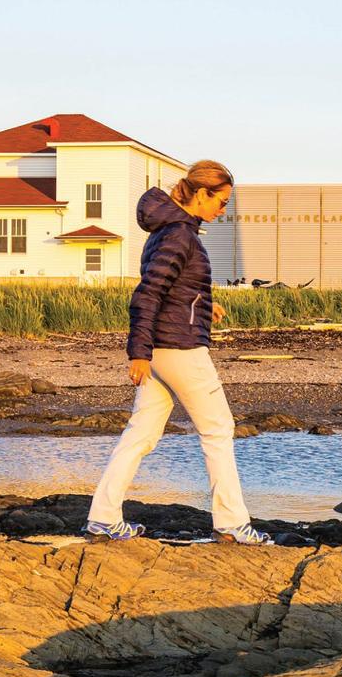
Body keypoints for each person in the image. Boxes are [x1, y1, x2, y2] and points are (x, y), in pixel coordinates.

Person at [85, 160, 272, 545]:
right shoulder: (180, 235)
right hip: (179, 348)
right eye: (221, 201)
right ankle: (232, 524)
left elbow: (175, 288)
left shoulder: (168, 231)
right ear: (201, 194)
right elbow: (148, 294)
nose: (223, 210)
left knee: (141, 434)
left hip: (162, 347)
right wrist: (137, 353)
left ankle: (103, 519)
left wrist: (205, 304)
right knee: (218, 429)